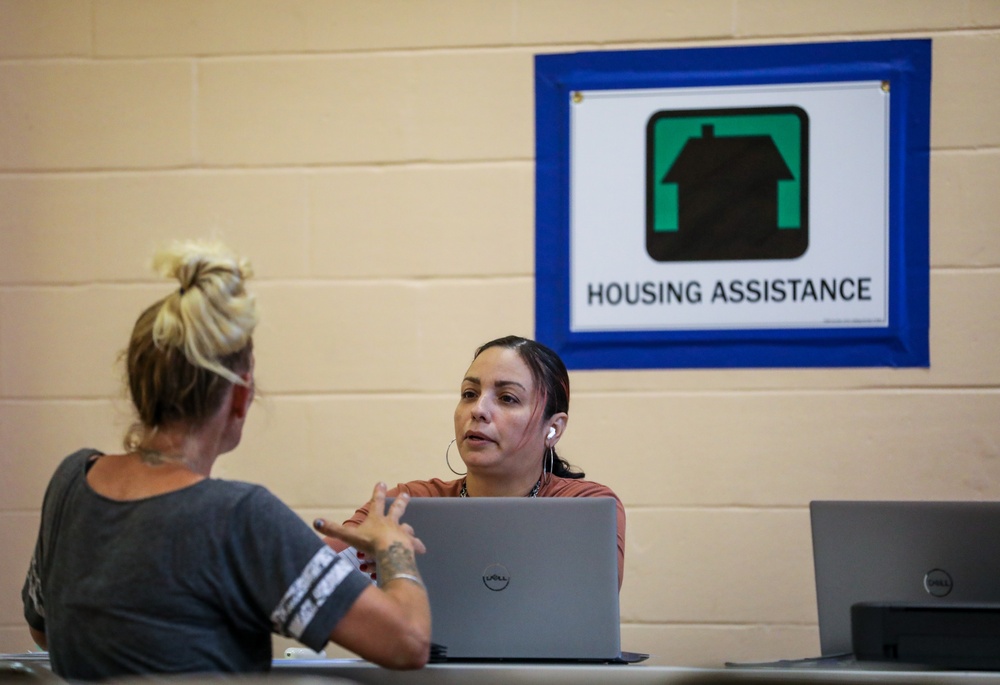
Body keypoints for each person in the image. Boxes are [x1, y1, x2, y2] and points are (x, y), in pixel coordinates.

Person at [21, 240, 431, 681]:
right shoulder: (240, 518)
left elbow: (44, 630)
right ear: (240, 396)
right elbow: (406, 642)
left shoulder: (70, 482)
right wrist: (394, 549)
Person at [334, 335, 626, 588]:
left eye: (507, 398)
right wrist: (362, 554)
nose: (478, 410)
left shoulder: (585, 506)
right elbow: (308, 578)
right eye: (469, 394)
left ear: (554, 428)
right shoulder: (406, 505)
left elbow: (582, 606)